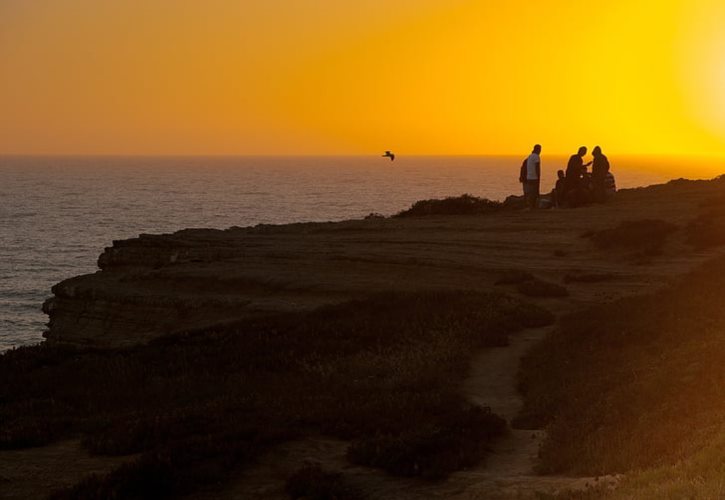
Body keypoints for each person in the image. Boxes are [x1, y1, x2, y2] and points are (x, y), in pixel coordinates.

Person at [521, 144, 541, 209]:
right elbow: (537, 167)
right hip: (534, 177)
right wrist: (538, 176)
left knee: (530, 192)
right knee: (534, 192)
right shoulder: (536, 157)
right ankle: (533, 206)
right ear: (538, 149)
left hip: (529, 177)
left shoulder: (529, 156)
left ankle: (529, 205)